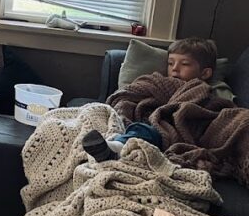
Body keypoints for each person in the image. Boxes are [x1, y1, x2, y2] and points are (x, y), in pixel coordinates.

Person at [84, 37, 222, 162]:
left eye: (184, 64)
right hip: (141, 120)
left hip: (164, 132)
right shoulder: (158, 82)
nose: (174, 69)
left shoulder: (201, 90)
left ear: (205, 73)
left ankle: (114, 150)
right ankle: (108, 144)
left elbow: (204, 115)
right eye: (170, 63)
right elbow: (130, 93)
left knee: (143, 131)